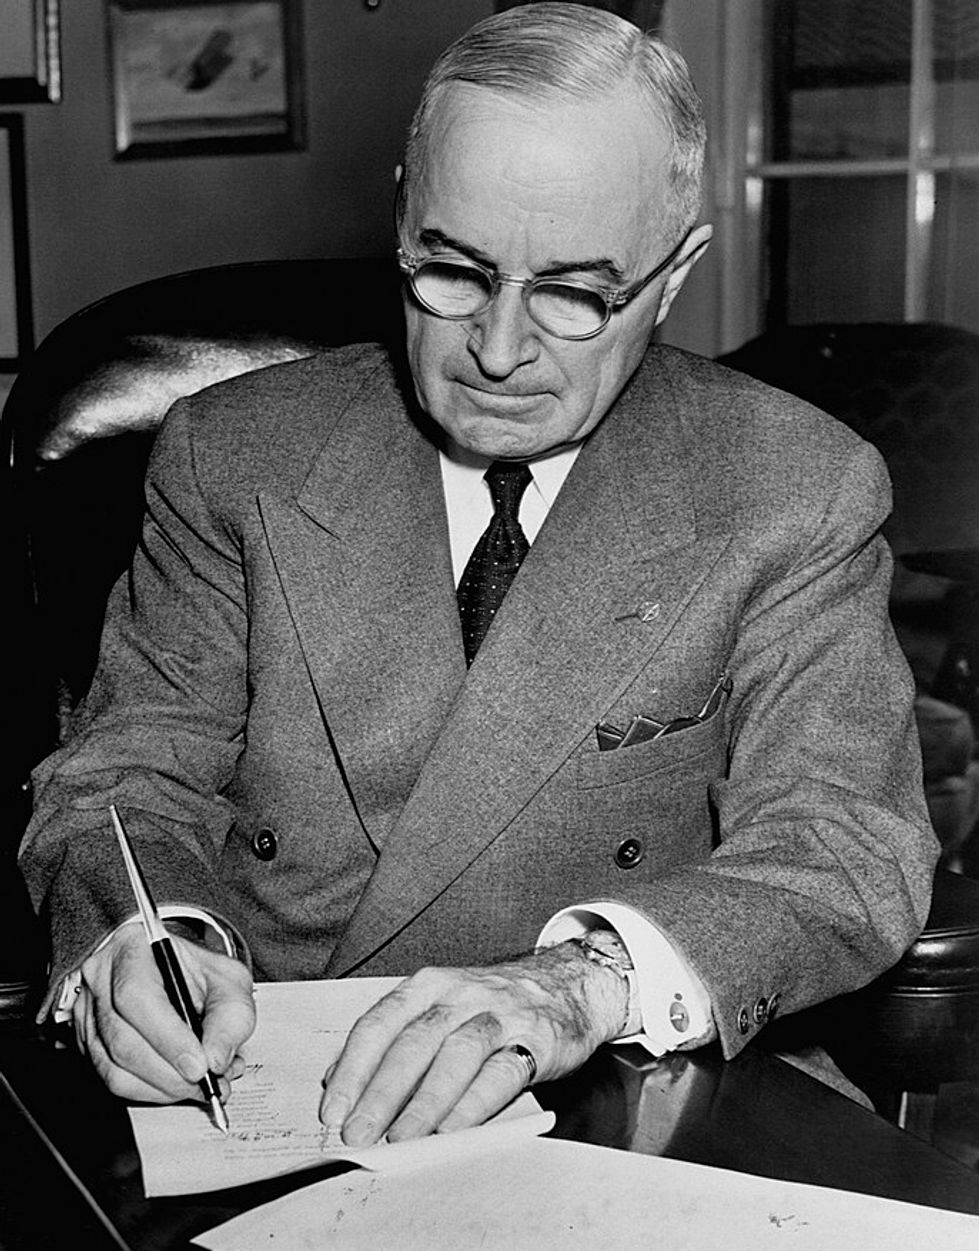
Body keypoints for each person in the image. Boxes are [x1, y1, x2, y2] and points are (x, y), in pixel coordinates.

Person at [19, 3, 939, 1144]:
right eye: (452, 271)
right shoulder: (233, 456)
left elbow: (844, 846)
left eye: (574, 294)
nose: (498, 353)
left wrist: (582, 982)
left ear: (673, 276)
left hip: (641, 1076)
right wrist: (151, 935)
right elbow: (128, 772)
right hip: (274, 1078)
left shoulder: (795, 484)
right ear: (401, 220)